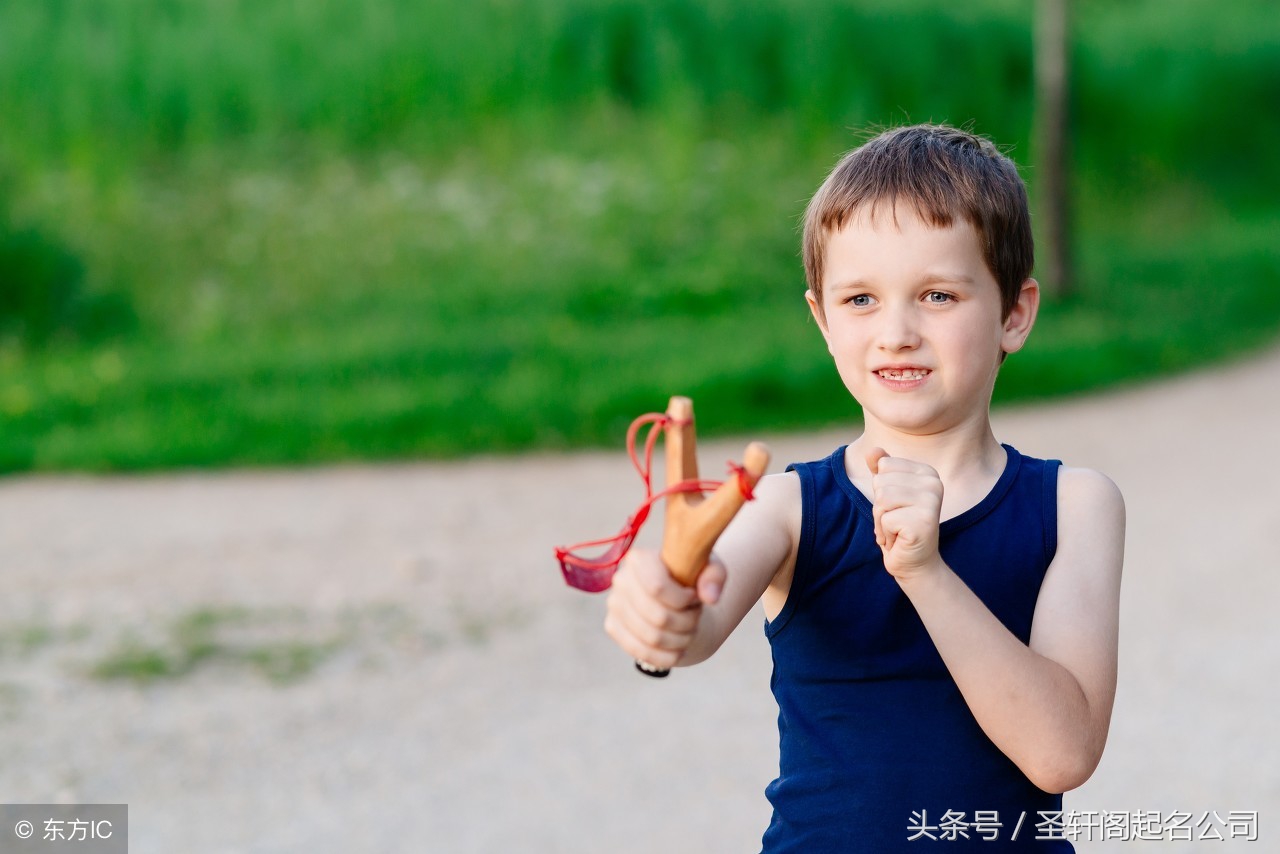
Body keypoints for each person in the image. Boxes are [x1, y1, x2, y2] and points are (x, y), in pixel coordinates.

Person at [603, 123, 1125, 851]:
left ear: (1015, 313)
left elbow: (1061, 755)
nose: (897, 332)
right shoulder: (790, 509)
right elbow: (694, 617)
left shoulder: (1074, 505)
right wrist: (661, 607)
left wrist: (925, 572)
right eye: (860, 301)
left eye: (937, 295)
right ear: (821, 320)